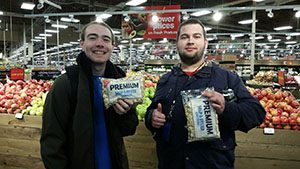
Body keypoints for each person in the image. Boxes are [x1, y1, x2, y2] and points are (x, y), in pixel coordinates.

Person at [145, 18, 266, 169]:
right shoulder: (166, 80)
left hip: (213, 163)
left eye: (196, 36)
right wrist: (151, 118)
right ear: (177, 44)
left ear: (205, 43)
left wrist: (225, 108)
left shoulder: (227, 78)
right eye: (184, 37)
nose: (190, 41)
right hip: (172, 162)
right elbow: (152, 109)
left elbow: (256, 113)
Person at [40, 21, 139, 169]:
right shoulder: (66, 83)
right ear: (82, 43)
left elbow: (129, 129)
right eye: (93, 38)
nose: (100, 43)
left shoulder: (120, 81)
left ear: (112, 46)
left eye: (106, 39)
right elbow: (51, 141)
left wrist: (125, 113)